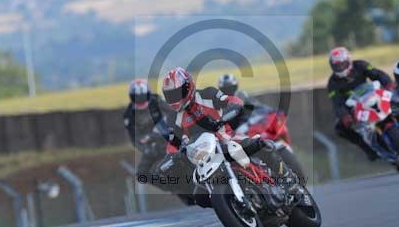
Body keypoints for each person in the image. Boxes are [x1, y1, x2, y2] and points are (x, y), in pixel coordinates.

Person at [160, 67, 292, 206]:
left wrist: (231, 109)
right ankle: (231, 204)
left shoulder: (208, 94)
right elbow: (172, 142)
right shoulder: (173, 118)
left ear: (189, 86)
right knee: (200, 198)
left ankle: (288, 178)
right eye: (171, 95)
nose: (175, 99)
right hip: (203, 157)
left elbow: (232, 100)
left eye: (178, 93)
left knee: (262, 145)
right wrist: (170, 157)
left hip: (226, 139)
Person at [327, 46, 395, 160]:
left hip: (373, 95)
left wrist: (388, 84)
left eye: (342, 64)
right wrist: (344, 116)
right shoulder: (332, 83)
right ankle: (366, 148)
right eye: (337, 66)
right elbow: (337, 103)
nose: (340, 67)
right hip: (353, 105)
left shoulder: (360, 65)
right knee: (339, 128)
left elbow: (377, 74)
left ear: (348, 61)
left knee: (398, 97)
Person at [123, 78, 174, 184]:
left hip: (168, 138)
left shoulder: (157, 100)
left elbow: (173, 112)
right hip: (151, 146)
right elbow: (134, 138)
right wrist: (146, 149)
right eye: (137, 97)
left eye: (143, 96)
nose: (141, 100)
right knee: (141, 175)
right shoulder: (129, 115)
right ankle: (167, 185)